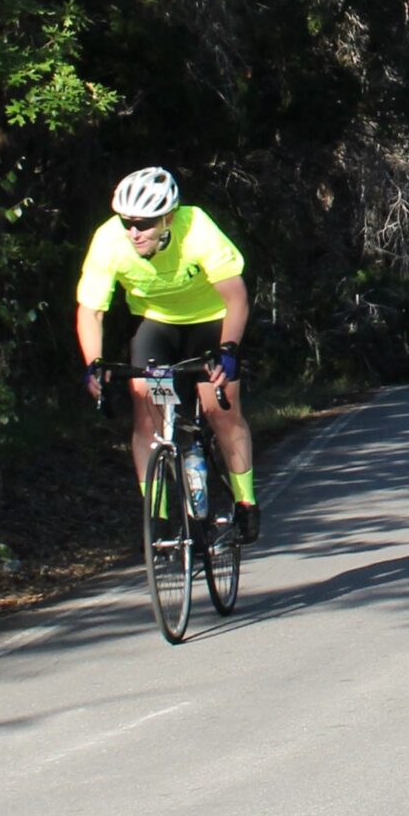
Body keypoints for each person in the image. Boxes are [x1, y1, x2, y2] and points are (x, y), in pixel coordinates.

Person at [76, 166, 260, 543]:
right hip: (157, 325)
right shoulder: (109, 241)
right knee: (145, 410)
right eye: (127, 221)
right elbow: (90, 311)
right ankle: (157, 516)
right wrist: (93, 364)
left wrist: (228, 351)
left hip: (211, 321)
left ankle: (246, 502)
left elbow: (236, 297)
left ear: (168, 217)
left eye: (143, 223)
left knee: (219, 410)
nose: (133, 232)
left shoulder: (198, 230)